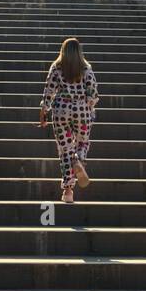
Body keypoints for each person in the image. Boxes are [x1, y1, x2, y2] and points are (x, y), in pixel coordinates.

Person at [38, 37, 99, 203]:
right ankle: (78, 159)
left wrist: (43, 111)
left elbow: (49, 90)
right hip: (82, 111)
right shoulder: (86, 68)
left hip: (61, 110)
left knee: (65, 149)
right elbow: (93, 93)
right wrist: (90, 107)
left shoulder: (56, 67)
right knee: (82, 142)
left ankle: (68, 191)